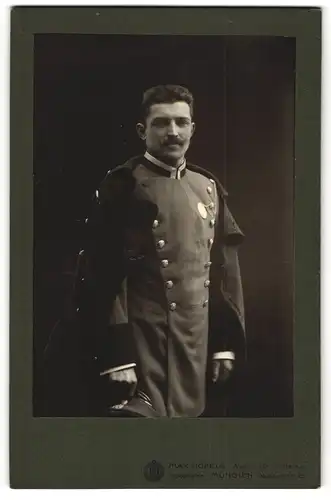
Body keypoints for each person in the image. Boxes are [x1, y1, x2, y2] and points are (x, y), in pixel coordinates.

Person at [60, 84, 246, 418]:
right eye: (161, 123)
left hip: (196, 348)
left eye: (180, 122)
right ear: (142, 130)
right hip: (141, 349)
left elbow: (219, 274)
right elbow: (99, 276)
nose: (172, 132)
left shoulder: (208, 187)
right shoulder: (124, 185)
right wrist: (117, 356)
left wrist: (223, 345)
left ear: (192, 128)